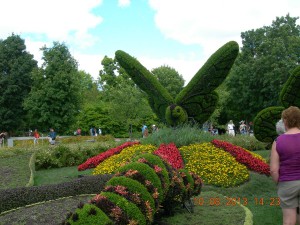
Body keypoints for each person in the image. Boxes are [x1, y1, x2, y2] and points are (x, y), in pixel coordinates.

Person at [270, 106, 300, 225]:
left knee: (289, 220)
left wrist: (278, 182)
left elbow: (273, 170)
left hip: (287, 183)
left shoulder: (278, 141)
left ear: (285, 121)